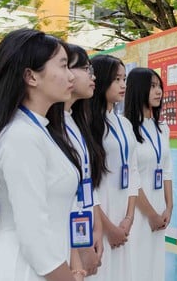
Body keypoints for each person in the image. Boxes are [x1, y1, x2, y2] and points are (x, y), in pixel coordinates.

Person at [0, 28, 86, 280]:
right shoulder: (21, 137)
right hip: (25, 270)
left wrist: (73, 259)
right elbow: (33, 233)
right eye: (63, 66)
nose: (71, 76)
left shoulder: (43, 131)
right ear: (31, 76)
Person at [88, 55, 139, 281]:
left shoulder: (124, 123)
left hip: (123, 215)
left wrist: (128, 218)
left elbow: (133, 171)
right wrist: (108, 227)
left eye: (124, 79)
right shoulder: (88, 123)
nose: (123, 85)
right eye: (116, 79)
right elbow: (87, 182)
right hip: (100, 215)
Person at [124, 67, 174, 281]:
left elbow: (167, 169)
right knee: (136, 264)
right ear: (138, 89)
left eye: (159, 86)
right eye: (152, 86)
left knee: (155, 264)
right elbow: (131, 179)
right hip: (137, 209)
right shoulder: (126, 128)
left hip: (159, 209)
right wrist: (151, 214)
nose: (158, 91)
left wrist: (169, 207)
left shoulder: (163, 128)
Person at [65, 44, 106, 277]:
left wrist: (97, 227)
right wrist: (81, 245)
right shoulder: (52, 127)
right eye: (85, 68)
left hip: (84, 232)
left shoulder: (75, 121)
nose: (93, 76)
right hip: (69, 242)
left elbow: (87, 183)